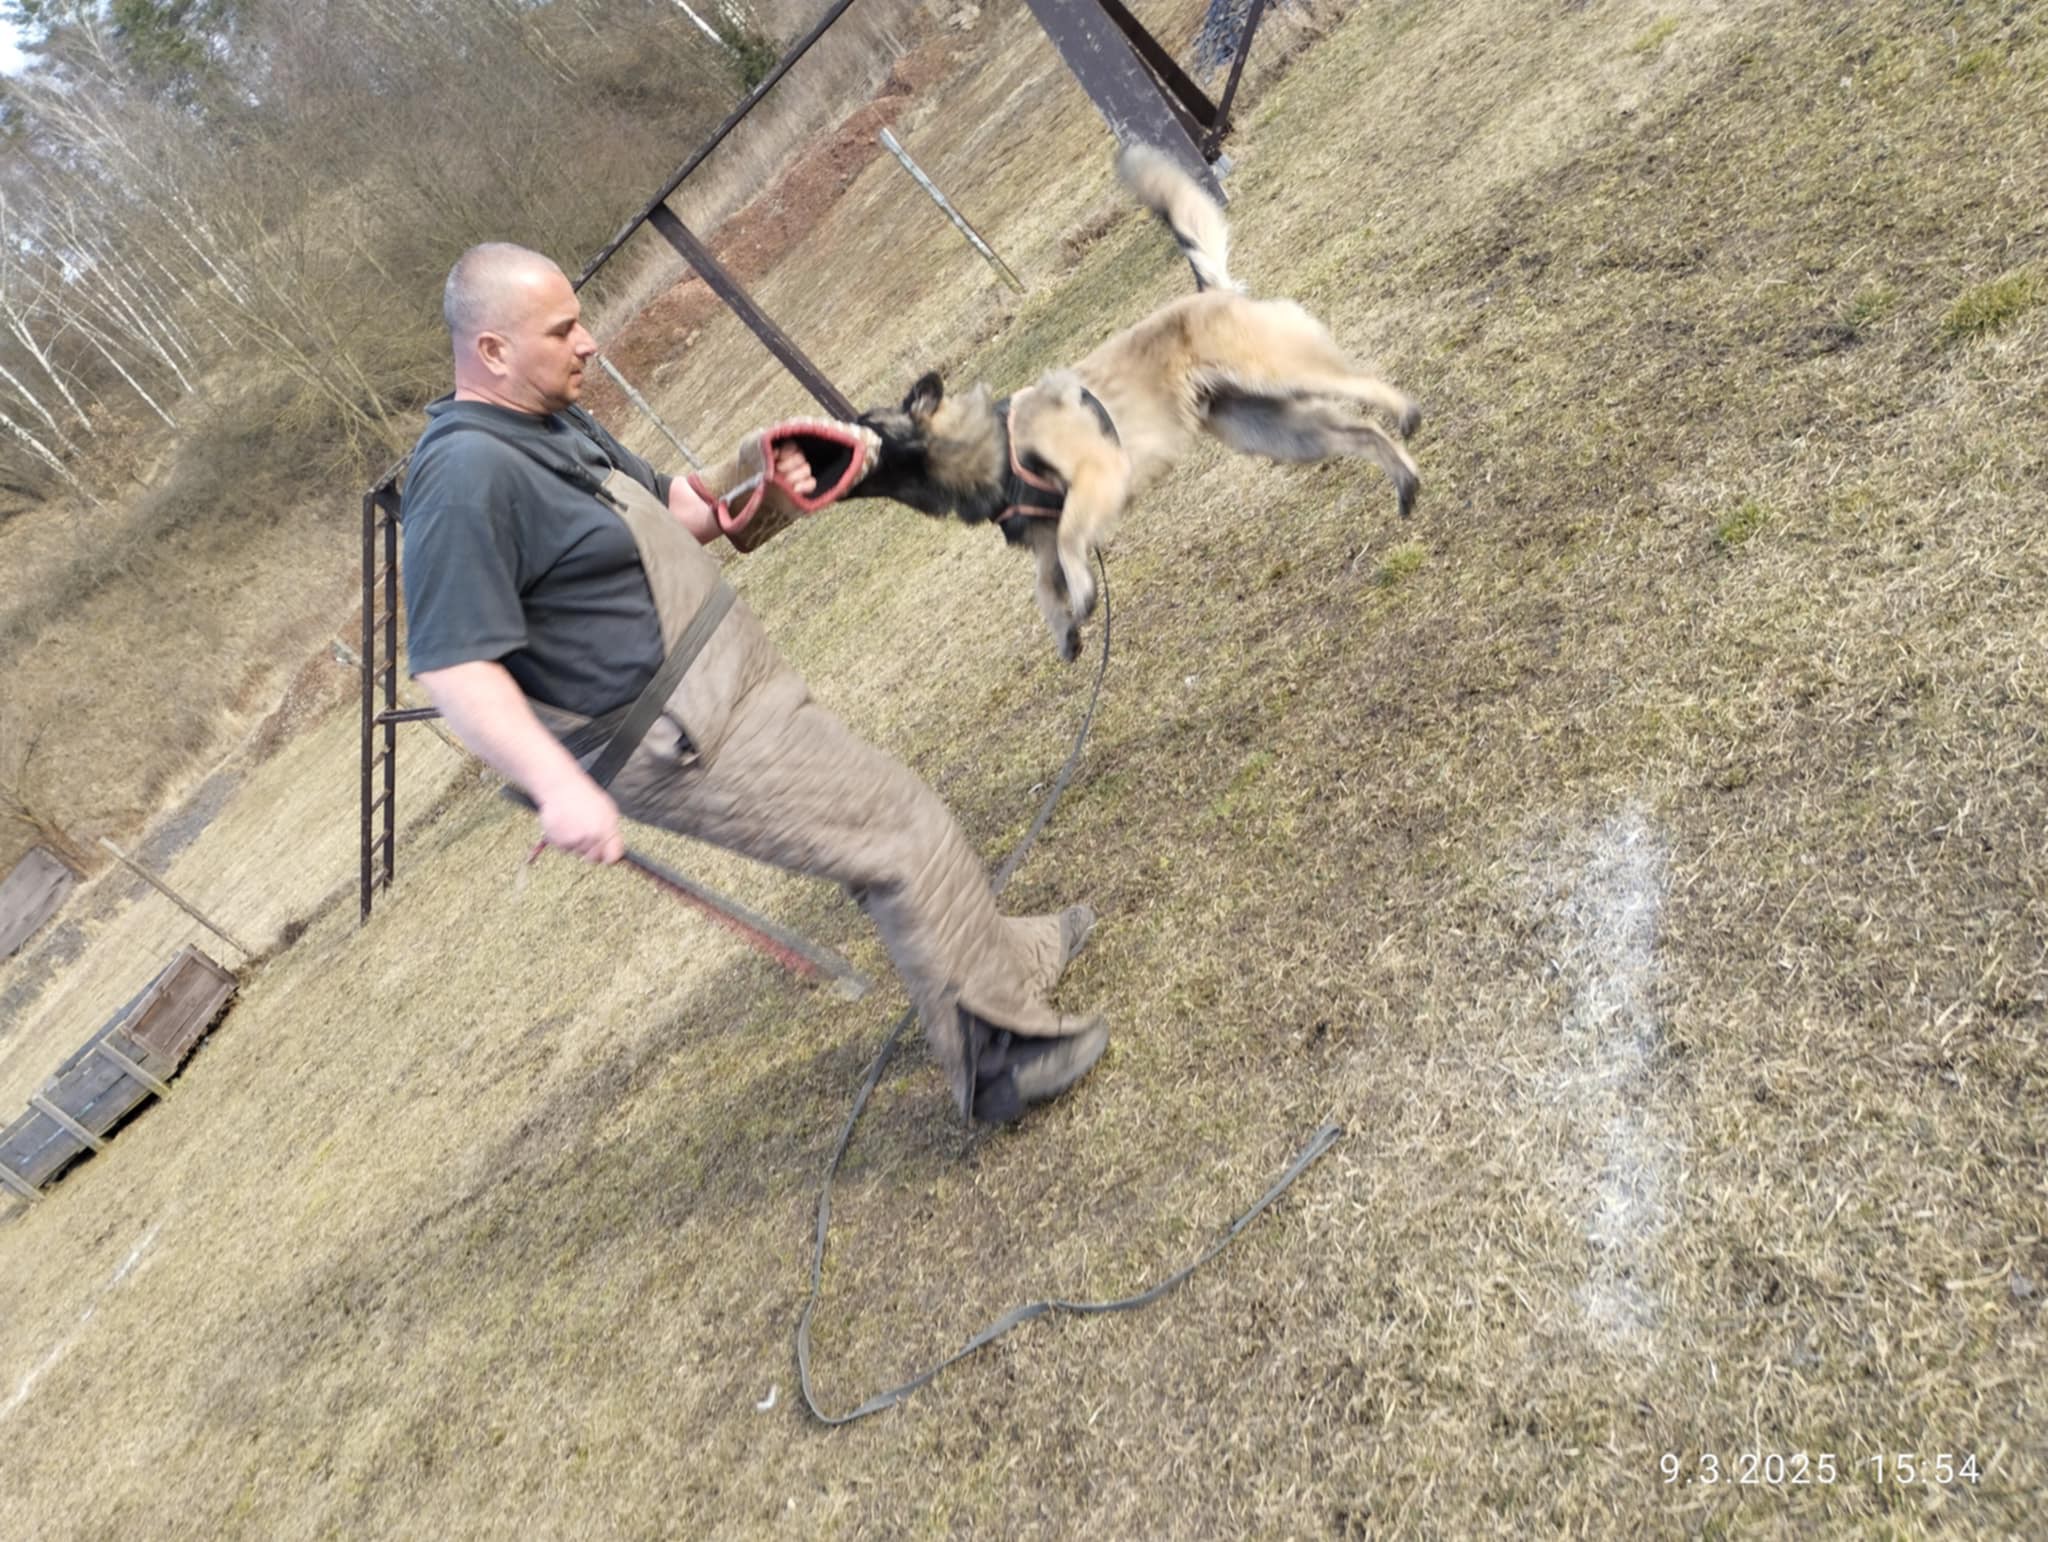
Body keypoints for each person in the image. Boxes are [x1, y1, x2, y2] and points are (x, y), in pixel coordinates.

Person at [400, 243, 1106, 1123]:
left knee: (884, 815)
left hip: (729, 677)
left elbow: (676, 509)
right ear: (492, 349)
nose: (588, 342)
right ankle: (1001, 1062)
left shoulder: (550, 419)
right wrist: (557, 788)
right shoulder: (462, 478)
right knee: (896, 828)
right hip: (678, 734)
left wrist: (763, 476)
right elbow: (453, 664)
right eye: (562, 330)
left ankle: (1004, 961)